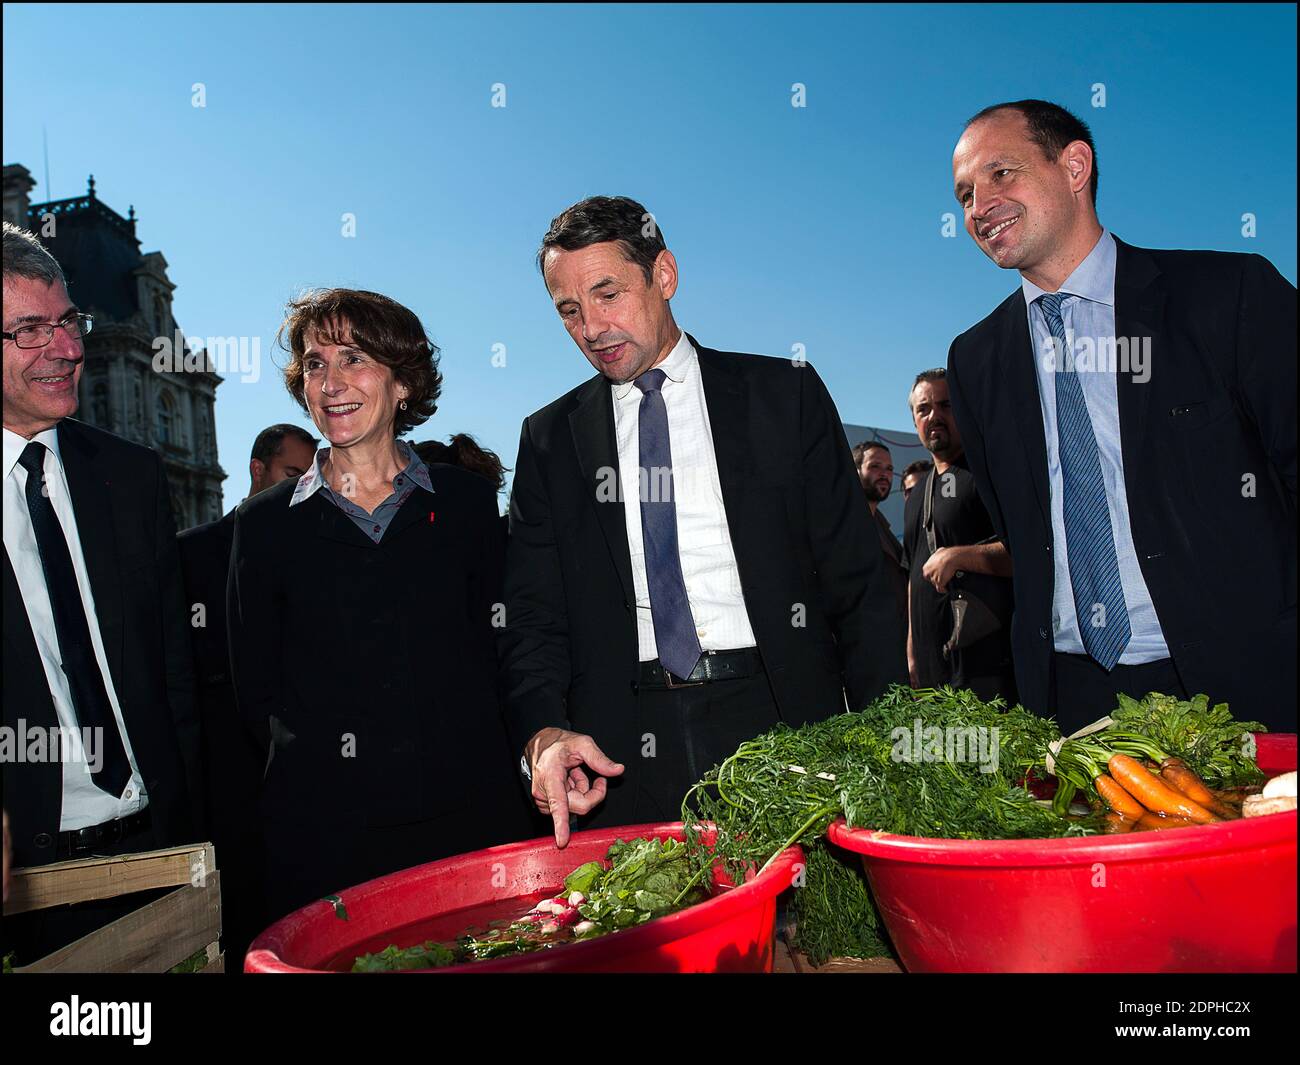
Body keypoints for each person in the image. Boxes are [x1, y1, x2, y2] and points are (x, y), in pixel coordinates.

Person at [500, 196, 905, 847]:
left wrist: (886, 743)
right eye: (569, 311)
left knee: (799, 940)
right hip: (618, 753)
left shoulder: (784, 396)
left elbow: (859, 586)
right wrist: (545, 730)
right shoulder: (549, 440)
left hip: (779, 720)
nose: (592, 327)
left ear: (664, 274)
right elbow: (533, 616)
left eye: (608, 294)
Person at [948, 99, 1297, 733]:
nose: (978, 206)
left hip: (1248, 688)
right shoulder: (973, 361)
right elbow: (1020, 529)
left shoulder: (1229, 296)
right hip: (1073, 710)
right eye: (964, 193)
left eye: (1002, 173)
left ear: (1074, 166)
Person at [226, 288, 532, 925]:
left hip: (473, 819)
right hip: (327, 840)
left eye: (354, 359)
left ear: (402, 383)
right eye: (314, 363)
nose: (331, 382)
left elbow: (510, 651)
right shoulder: (262, 525)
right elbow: (255, 689)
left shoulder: (467, 504)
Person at [1, 222, 199, 960]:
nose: (65, 349)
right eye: (29, 330)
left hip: (159, 856)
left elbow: (175, 679)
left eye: (68, 322)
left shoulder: (129, 475)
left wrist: (192, 831)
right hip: (25, 885)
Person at [175, 422, 316, 970]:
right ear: (258, 470)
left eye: (310, 478)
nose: (300, 488)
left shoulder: (316, 556)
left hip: (306, 785)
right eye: (290, 475)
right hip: (225, 792)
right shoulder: (191, 555)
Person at [901, 369, 1016, 703]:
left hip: (985, 668)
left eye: (945, 405)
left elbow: (1024, 556)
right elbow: (913, 575)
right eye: (924, 409)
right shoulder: (918, 492)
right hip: (930, 669)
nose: (934, 416)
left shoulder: (990, 473)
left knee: (989, 754)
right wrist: (911, 648)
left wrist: (958, 556)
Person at [852, 440, 908, 626]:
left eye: (889, 468)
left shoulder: (883, 526)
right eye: (875, 466)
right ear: (855, 471)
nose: (885, 474)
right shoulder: (839, 522)